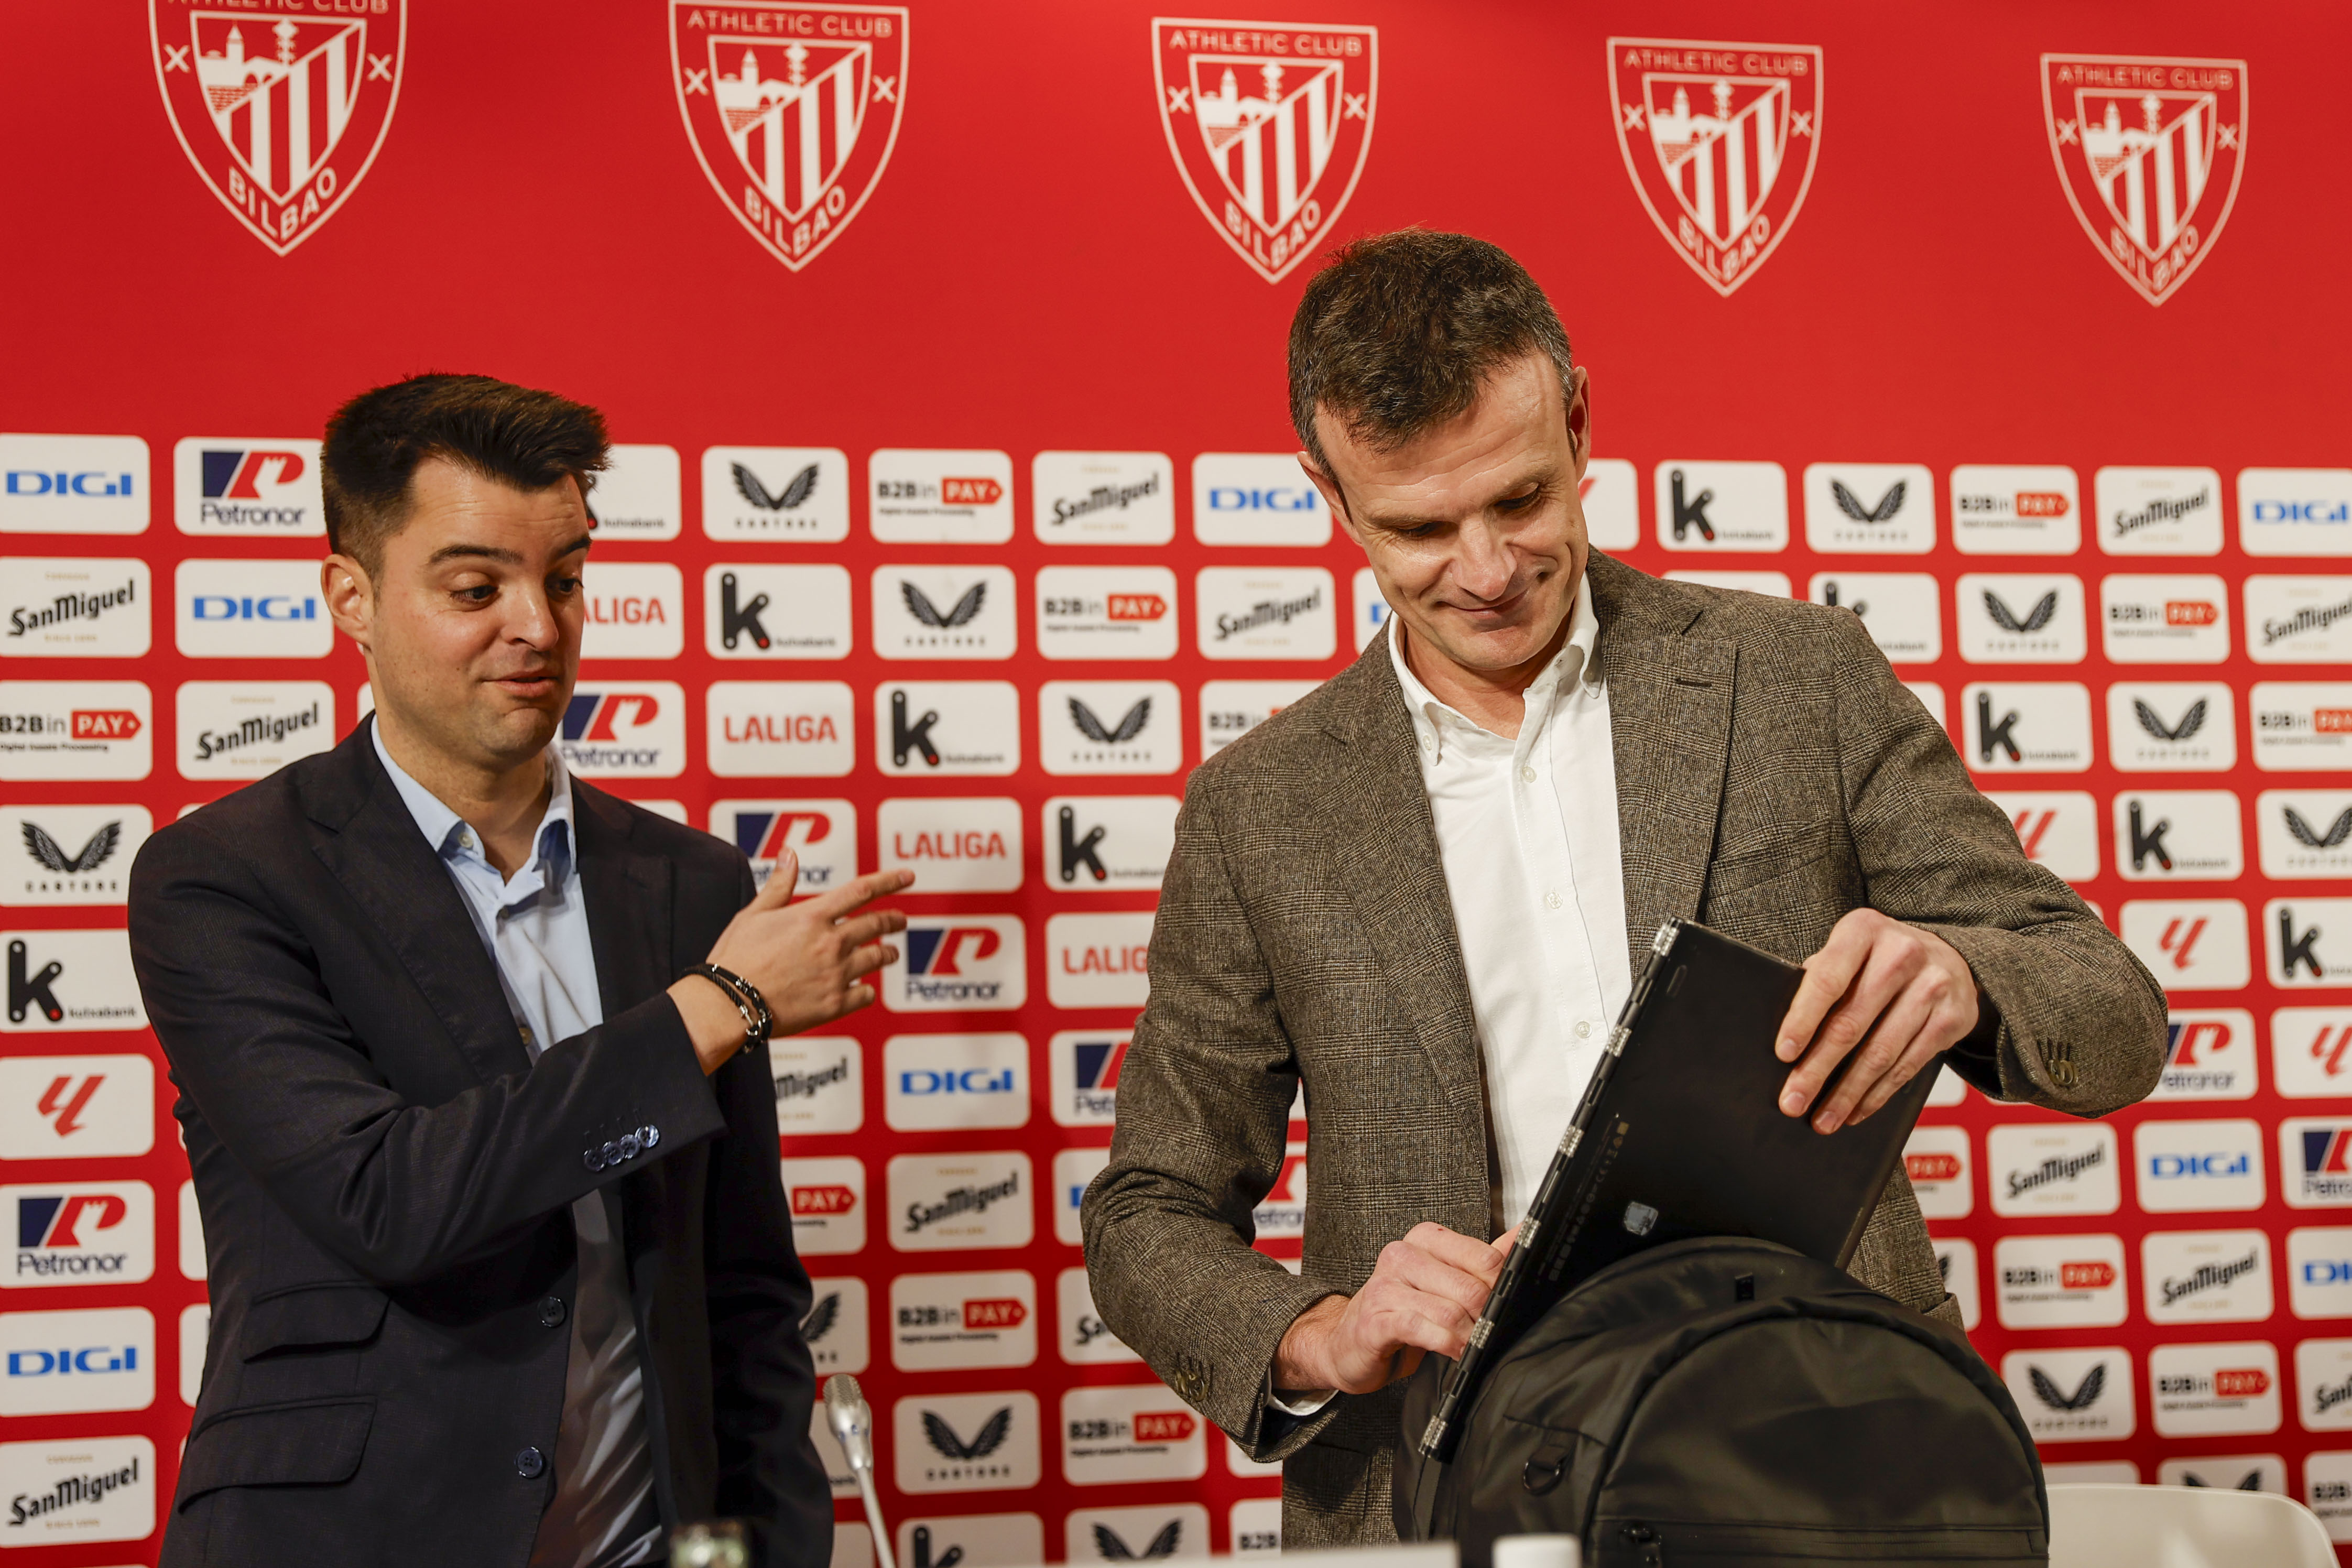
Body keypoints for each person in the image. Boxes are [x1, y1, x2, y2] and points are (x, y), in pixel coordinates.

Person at [1081, 232, 2167, 1547]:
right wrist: (1316, 1330)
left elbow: (2114, 1017)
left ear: (1581, 420)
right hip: (1443, 1490)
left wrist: (1968, 971)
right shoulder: (1261, 808)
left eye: (1523, 498)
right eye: (1420, 527)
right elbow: (1150, 1207)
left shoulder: (1798, 677)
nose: (1485, 568)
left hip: (1823, 1455)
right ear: (1328, 493)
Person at [129, 374, 908, 1568]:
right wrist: (722, 1003)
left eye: (565, 578)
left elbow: (740, 1291)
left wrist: (764, 1552)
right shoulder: (222, 879)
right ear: (353, 596)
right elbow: (389, 1199)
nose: (538, 626)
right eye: (475, 587)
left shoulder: (692, 882)